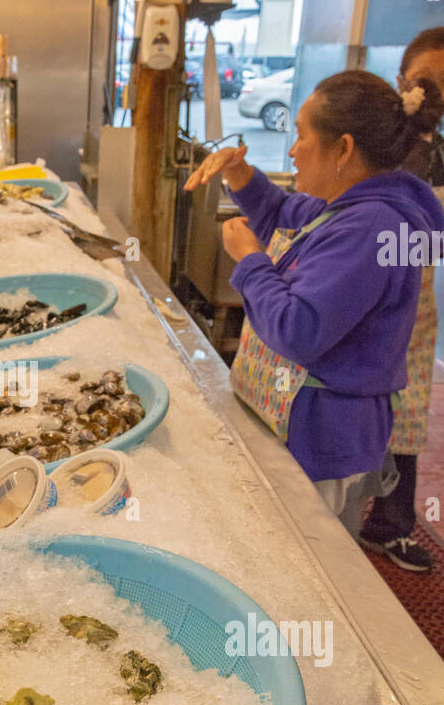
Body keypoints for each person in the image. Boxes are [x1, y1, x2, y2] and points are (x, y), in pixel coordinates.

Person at [185, 70, 444, 536]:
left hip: (323, 439)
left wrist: (249, 261)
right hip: (304, 428)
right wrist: (240, 174)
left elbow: (299, 330)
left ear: (343, 149)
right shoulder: (347, 206)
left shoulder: (371, 227)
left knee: (309, 563)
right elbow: (284, 213)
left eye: (301, 135)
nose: (291, 150)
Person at [360, 29, 444, 571]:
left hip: (415, 305)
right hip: (362, 296)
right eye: (427, 83)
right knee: (346, 408)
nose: (435, 95)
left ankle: (389, 524)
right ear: (402, 83)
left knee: (407, 418)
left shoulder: (438, 153)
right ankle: (324, 519)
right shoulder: (376, 143)